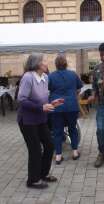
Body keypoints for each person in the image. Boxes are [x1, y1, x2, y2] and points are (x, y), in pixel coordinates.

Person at [17, 53, 61, 189]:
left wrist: (51, 103)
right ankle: (33, 180)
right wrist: (41, 107)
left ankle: (43, 174)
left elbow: (43, 98)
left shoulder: (45, 77)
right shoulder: (28, 77)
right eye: (44, 61)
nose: (47, 63)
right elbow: (22, 99)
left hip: (41, 118)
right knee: (35, 149)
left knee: (49, 145)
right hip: (27, 120)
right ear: (37, 64)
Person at [48, 53, 83, 164]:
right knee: (73, 129)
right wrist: (72, 94)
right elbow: (79, 89)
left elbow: (47, 90)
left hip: (57, 106)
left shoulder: (51, 76)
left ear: (56, 64)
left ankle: (58, 156)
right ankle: (75, 152)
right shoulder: (73, 74)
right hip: (72, 106)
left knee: (57, 131)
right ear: (66, 64)